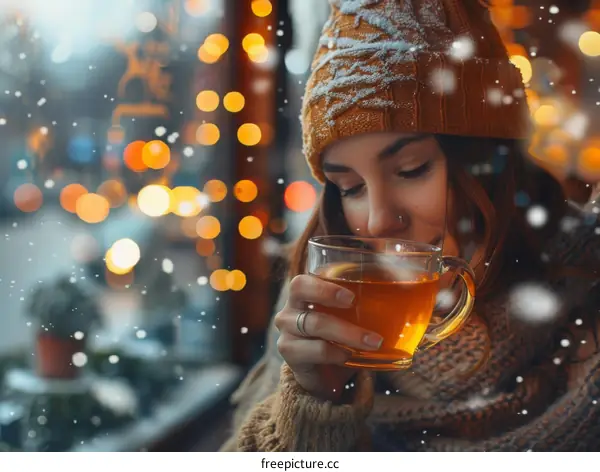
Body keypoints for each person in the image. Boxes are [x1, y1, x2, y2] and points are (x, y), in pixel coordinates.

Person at [221, 0, 600, 451]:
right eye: (350, 187)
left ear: (490, 165)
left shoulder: (587, 288)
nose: (379, 220)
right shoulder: (324, 303)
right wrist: (316, 407)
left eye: (411, 169)